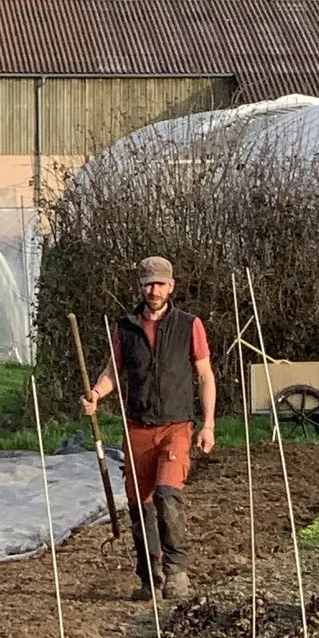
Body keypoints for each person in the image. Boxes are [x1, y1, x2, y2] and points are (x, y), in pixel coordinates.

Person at [80, 254, 216, 602]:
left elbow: (204, 375)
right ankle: (148, 576)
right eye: (147, 284)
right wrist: (96, 394)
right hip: (137, 426)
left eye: (159, 283)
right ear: (140, 287)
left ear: (171, 286)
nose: (153, 290)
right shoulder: (125, 328)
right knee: (140, 506)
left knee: (167, 497)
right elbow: (113, 371)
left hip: (176, 424)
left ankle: (177, 571)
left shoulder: (189, 325)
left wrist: (209, 424)